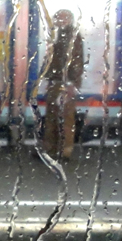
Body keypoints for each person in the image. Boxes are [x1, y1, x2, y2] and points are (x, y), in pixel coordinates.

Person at [44, 9, 85, 159]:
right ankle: (50, 148)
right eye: (57, 18)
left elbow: (76, 61)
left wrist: (71, 83)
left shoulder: (72, 36)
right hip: (57, 81)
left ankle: (64, 150)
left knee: (65, 117)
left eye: (62, 18)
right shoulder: (58, 35)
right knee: (52, 116)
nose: (59, 21)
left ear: (69, 20)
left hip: (65, 82)